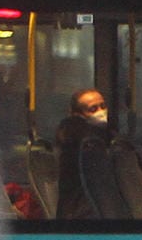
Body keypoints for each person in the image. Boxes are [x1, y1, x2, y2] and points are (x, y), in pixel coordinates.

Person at [53, 88, 126, 219]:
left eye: (103, 106)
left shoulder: (108, 137)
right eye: (93, 109)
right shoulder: (82, 140)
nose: (101, 112)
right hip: (81, 214)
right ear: (78, 115)